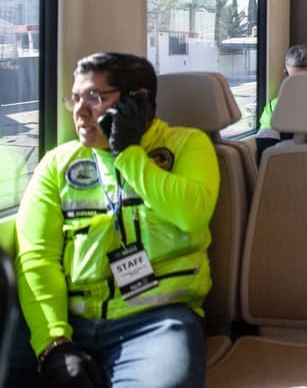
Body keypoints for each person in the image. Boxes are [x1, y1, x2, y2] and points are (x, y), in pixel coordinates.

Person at [8, 53, 219, 387]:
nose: (80, 111)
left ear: (138, 101)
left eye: (94, 97)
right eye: (75, 99)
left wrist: (127, 152)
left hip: (156, 321)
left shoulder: (188, 145)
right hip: (71, 320)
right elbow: (37, 257)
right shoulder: (57, 164)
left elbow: (191, 214)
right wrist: (54, 343)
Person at [255, 44, 307, 160]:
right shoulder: (274, 107)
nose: (302, 85)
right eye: (295, 80)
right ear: (285, 74)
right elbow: (265, 149)